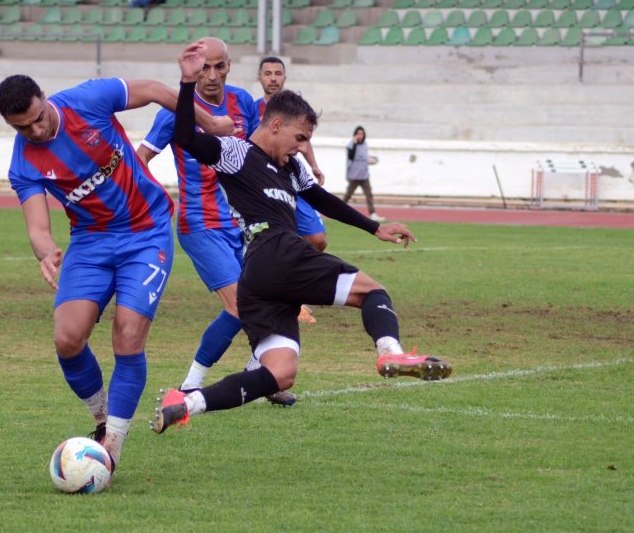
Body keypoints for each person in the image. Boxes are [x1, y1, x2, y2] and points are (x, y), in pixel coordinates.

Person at [152, 41, 452, 434]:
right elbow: (188, 140)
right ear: (275, 125)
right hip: (275, 250)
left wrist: (374, 227)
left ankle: (187, 402)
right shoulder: (236, 153)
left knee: (280, 373)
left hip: (259, 276)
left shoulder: (291, 168)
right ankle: (389, 353)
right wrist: (187, 82)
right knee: (372, 292)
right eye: (299, 137)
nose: (301, 147)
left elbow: (322, 199)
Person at [0, 74, 231, 469]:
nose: (35, 130)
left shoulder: (88, 100)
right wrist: (47, 251)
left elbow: (156, 91)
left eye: (38, 118)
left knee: (128, 335)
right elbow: (37, 227)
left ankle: (114, 442)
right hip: (90, 241)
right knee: (67, 339)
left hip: (147, 232)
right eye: (22, 127)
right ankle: (103, 416)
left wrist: (209, 121)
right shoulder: (24, 163)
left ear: (44, 97)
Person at [137, 38, 296, 407]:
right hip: (201, 224)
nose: (211, 76)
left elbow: (261, 150)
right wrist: (152, 198)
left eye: (218, 66)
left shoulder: (242, 102)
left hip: (245, 223)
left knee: (266, 297)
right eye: (204, 67)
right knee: (241, 305)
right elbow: (140, 158)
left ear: (229, 66)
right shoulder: (176, 110)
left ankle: (263, 374)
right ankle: (192, 384)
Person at [256, 55, 327, 324]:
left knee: (318, 240)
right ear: (260, 78)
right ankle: (291, 299)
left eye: (278, 73)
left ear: (284, 77)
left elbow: (303, 143)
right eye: (268, 73)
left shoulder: (294, 110)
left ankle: (289, 283)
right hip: (265, 186)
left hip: (293, 181)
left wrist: (314, 166)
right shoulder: (253, 109)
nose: (273, 78)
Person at [343, 125, 384, 222]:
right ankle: (338, 210)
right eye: (358, 134)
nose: (360, 136)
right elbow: (351, 157)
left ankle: (372, 213)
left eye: (362, 134)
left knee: (369, 194)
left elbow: (364, 158)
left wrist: (370, 160)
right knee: (348, 195)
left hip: (364, 175)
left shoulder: (365, 144)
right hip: (354, 175)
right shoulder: (351, 144)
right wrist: (355, 143)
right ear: (355, 134)